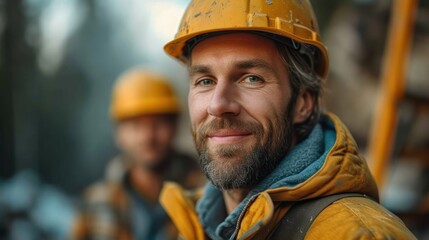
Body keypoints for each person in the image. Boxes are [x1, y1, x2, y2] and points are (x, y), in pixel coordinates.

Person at [159, 0, 417, 239]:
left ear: (303, 103)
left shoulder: (359, 234)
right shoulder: (194, 227)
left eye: (251, 78)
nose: (218, 105)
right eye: (205, 81)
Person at [73, 68, 204, 240]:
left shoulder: (206, 198)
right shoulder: (95, 203)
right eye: (135, 126)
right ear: (119, 134)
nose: (147, 137)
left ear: (175, 127)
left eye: (158, 123)